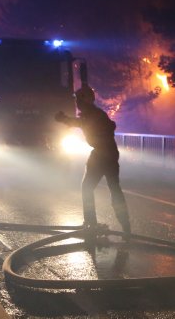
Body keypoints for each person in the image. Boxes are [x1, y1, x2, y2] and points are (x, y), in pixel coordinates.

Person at [55, 85, 132, 237]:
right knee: (114, 188)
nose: (77, 102)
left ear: (86, 99)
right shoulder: (97, 113)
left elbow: (82, 123)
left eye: (79, 99)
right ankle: (125, 226)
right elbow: (109, 125)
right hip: (109, 152)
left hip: (101, 154)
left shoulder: (91, 114)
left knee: (87, 187)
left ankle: (91, 223)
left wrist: (64, 119)